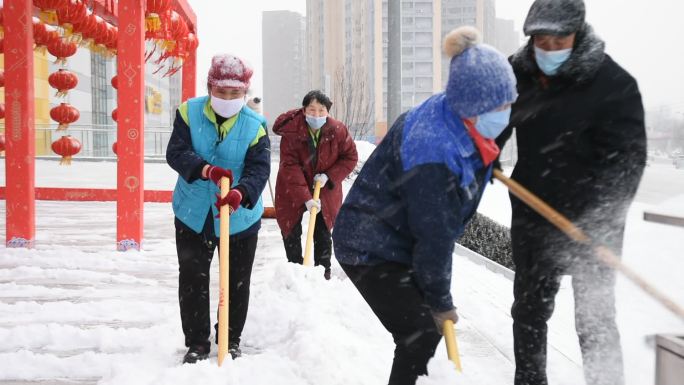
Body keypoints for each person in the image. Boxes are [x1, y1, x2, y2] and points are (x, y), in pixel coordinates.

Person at [332, 27, 517, 385]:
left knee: (422, 335)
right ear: (473, 106)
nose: (507, 113)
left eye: (510, 102)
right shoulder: (433, 154)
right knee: (421, 335)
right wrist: (440, 301)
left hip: (394, 237)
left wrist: (485, 161)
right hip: (369, 246)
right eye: (500, 106)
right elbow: (435, 238)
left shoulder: (453, 111)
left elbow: (467, 152)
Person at [495, 1, 647, 384]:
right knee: (529, 312)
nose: (548, 48)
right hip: (533, 216)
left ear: (578, 34)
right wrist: (484, 156)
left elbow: (627, 162)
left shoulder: (614, 85)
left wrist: (600, 222)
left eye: (558, 39)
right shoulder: (517, 76)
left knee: (595, 318)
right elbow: (491, 128)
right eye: (540, 40)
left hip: (595, 223)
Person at [166, 54, 270, 364]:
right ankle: (197, 342)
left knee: (237, 280)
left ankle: (230, 338)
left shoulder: (255, 125)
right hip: (193, 212)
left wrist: (241, 192)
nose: (227, 98)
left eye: (235, 93)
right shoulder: (189, 112)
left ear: (245, 92)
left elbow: (259, 168)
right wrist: (206, 170)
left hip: (239, 217)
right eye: (221, 91)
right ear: (210, 87)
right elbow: (176, 152)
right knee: (193, 277)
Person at [273, 90, 358, 280]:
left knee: (322, 232)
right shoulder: (292, 132)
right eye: (312, 110)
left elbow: (350, 157)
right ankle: (296, 273)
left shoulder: (337, 130)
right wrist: (306, 197)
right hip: (291, 190)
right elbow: (290, 166)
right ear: (304, 111)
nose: (316, 115)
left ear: (328, 112)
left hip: (325, 190)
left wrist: (329, 176)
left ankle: (323, 274)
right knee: (290, 231)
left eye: (321, 110)